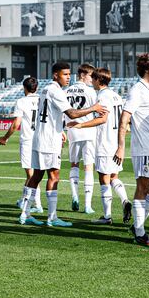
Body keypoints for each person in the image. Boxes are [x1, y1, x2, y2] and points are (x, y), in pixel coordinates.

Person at [19, 62, 107, 227]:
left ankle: (25, 213)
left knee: (36, 176)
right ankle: (52, 217)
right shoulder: (56, 91)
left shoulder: (45, 89)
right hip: (49, 140)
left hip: (40, 137)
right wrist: (93, 108)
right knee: (54, 176)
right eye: (64, 74)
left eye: (68, 74)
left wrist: (61, 129)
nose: (68, 77)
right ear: (55, 75)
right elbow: (72, 113)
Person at [113, 53, 149, 246]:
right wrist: (121, 147)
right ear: (147, 69)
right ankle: (140, 232)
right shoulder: (137, 90)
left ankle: (138, 224)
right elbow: (124, 118)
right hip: (143, 148)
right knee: (143, 187)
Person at [67, 68, 132, 225]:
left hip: (105, 142)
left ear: (98, 80)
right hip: (116, 142)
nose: (92, 82)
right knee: (114, 176)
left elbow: (102, 119)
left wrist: (81, 125)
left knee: (104, 178)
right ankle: (125, 200)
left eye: (93, 79)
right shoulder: (116, 96)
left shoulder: (102, 96)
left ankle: (107, 216)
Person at [0, 77, 42, 212]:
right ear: (37, 88)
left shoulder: (22, 101)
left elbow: (16, 123)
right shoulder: (42, 99)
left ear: (24, 88)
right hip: (41, 139)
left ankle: (36, 205)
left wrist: (5, 138)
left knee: (31, 174)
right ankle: (25, 201)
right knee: (34, 174)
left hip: (28, 140)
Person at [65, 64, 98, 214]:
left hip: (72, 131)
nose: (93, 79)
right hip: (88, 130)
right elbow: (98, 112)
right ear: (83, 75)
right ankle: (87, 205)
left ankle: (74, 196)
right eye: (91, 76)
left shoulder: (66, 91)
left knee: (74, 165)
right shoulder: (90, 91)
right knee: (89, 167)